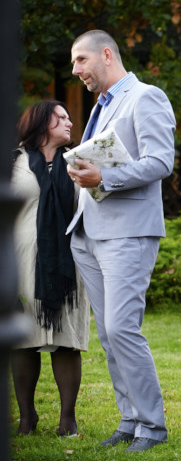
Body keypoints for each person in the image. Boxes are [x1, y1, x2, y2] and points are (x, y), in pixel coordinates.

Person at [67, 30, 176, 453]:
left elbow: (160, 161)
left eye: (81, 60)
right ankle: (129, 420)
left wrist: (104, 177)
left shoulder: (146, 97)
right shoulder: (102, 104)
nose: (75, 70)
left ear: (107, 54)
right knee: (109, 335)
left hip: (128, 232)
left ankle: (153, 426)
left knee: (121, 328)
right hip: (88, 231)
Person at [11, 101, 89, 437]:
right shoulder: (13, 162)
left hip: (67, 264)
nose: (69, 122)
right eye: (61, 117)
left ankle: (67, 418)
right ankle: (26, 417)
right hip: (22, 263)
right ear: (42, 122)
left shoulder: (78, 162)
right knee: (23, 340)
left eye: (69, 118)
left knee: (66, 340)